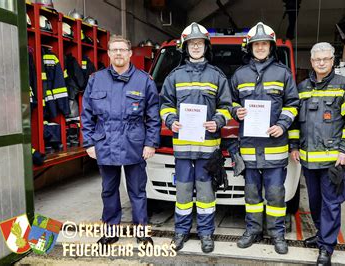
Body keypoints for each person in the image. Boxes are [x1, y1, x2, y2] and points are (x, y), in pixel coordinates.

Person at [159, 22, 232, 253]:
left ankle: (206, 234)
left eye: (199, 43)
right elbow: (165, 105)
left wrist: (218, 121)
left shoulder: (217, 76)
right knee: (182, 193)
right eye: (192, 43)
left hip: (207, 147)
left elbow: (226, 106)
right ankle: (180, 232)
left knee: (206, 194)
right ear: (185, 47)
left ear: (205, 46)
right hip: (182, 148)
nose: (196, 47)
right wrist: (171, 120)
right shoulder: (174, 76)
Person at [81, 35, 161, 246]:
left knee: (137, 191)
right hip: (105, 143)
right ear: (108, 54)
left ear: (129, 53)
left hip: (134, 143)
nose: (118, 53)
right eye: (114, 50)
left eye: (122, 50)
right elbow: (87, 115)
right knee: (108, 190)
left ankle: (142, 232)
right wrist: (89, 143)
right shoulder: (95, 80)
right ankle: (111, 231)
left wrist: (151, 143)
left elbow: (153, 116)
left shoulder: (144, 81)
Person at [290, 42, 345, 265]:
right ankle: (322, 236)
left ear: (333, 61)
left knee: (331, 203)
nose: (321, 63)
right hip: (308, 160)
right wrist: (294, 146)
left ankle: (326, 247)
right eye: (317, 59)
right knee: (314, 202)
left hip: (333, 160)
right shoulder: (302, 87)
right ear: (311, 62)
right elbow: (294, 121)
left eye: (326, 59)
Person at [230, 22, 299, 255]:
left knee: (276, 195)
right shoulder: (239, 75)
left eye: (264, 44)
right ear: (250, 48)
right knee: (251, 195)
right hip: (249, 149)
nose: (260, 48)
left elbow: (293, 103)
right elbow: (229, 102)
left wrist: (282, 125)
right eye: (256, 44)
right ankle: (252, 231)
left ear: (271, 46)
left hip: (275, 148)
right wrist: (235, 111)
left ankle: (277, 234)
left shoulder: (283, 73)